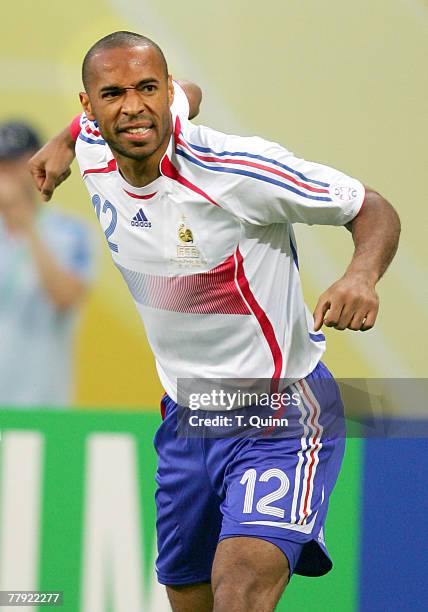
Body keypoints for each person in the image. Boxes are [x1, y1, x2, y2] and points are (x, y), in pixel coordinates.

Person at [29, 31, 400, 612]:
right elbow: (176, 96)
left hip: (279, 410)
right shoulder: (96, 146)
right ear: (88, 108)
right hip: (189, 416)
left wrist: (361, 276)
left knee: (239, 590)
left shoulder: (236, 171)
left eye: (149, 88)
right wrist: (62, 143)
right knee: (190, 596)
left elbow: (370, 207)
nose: (134, 107)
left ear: (166, 89)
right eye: (114, 94)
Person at [0, 121, 94, 407]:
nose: (9, 176)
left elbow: (65, 298)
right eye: (3, 166)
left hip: (41, 401)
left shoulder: (72, 232)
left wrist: (27, 225)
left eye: (18, 164)